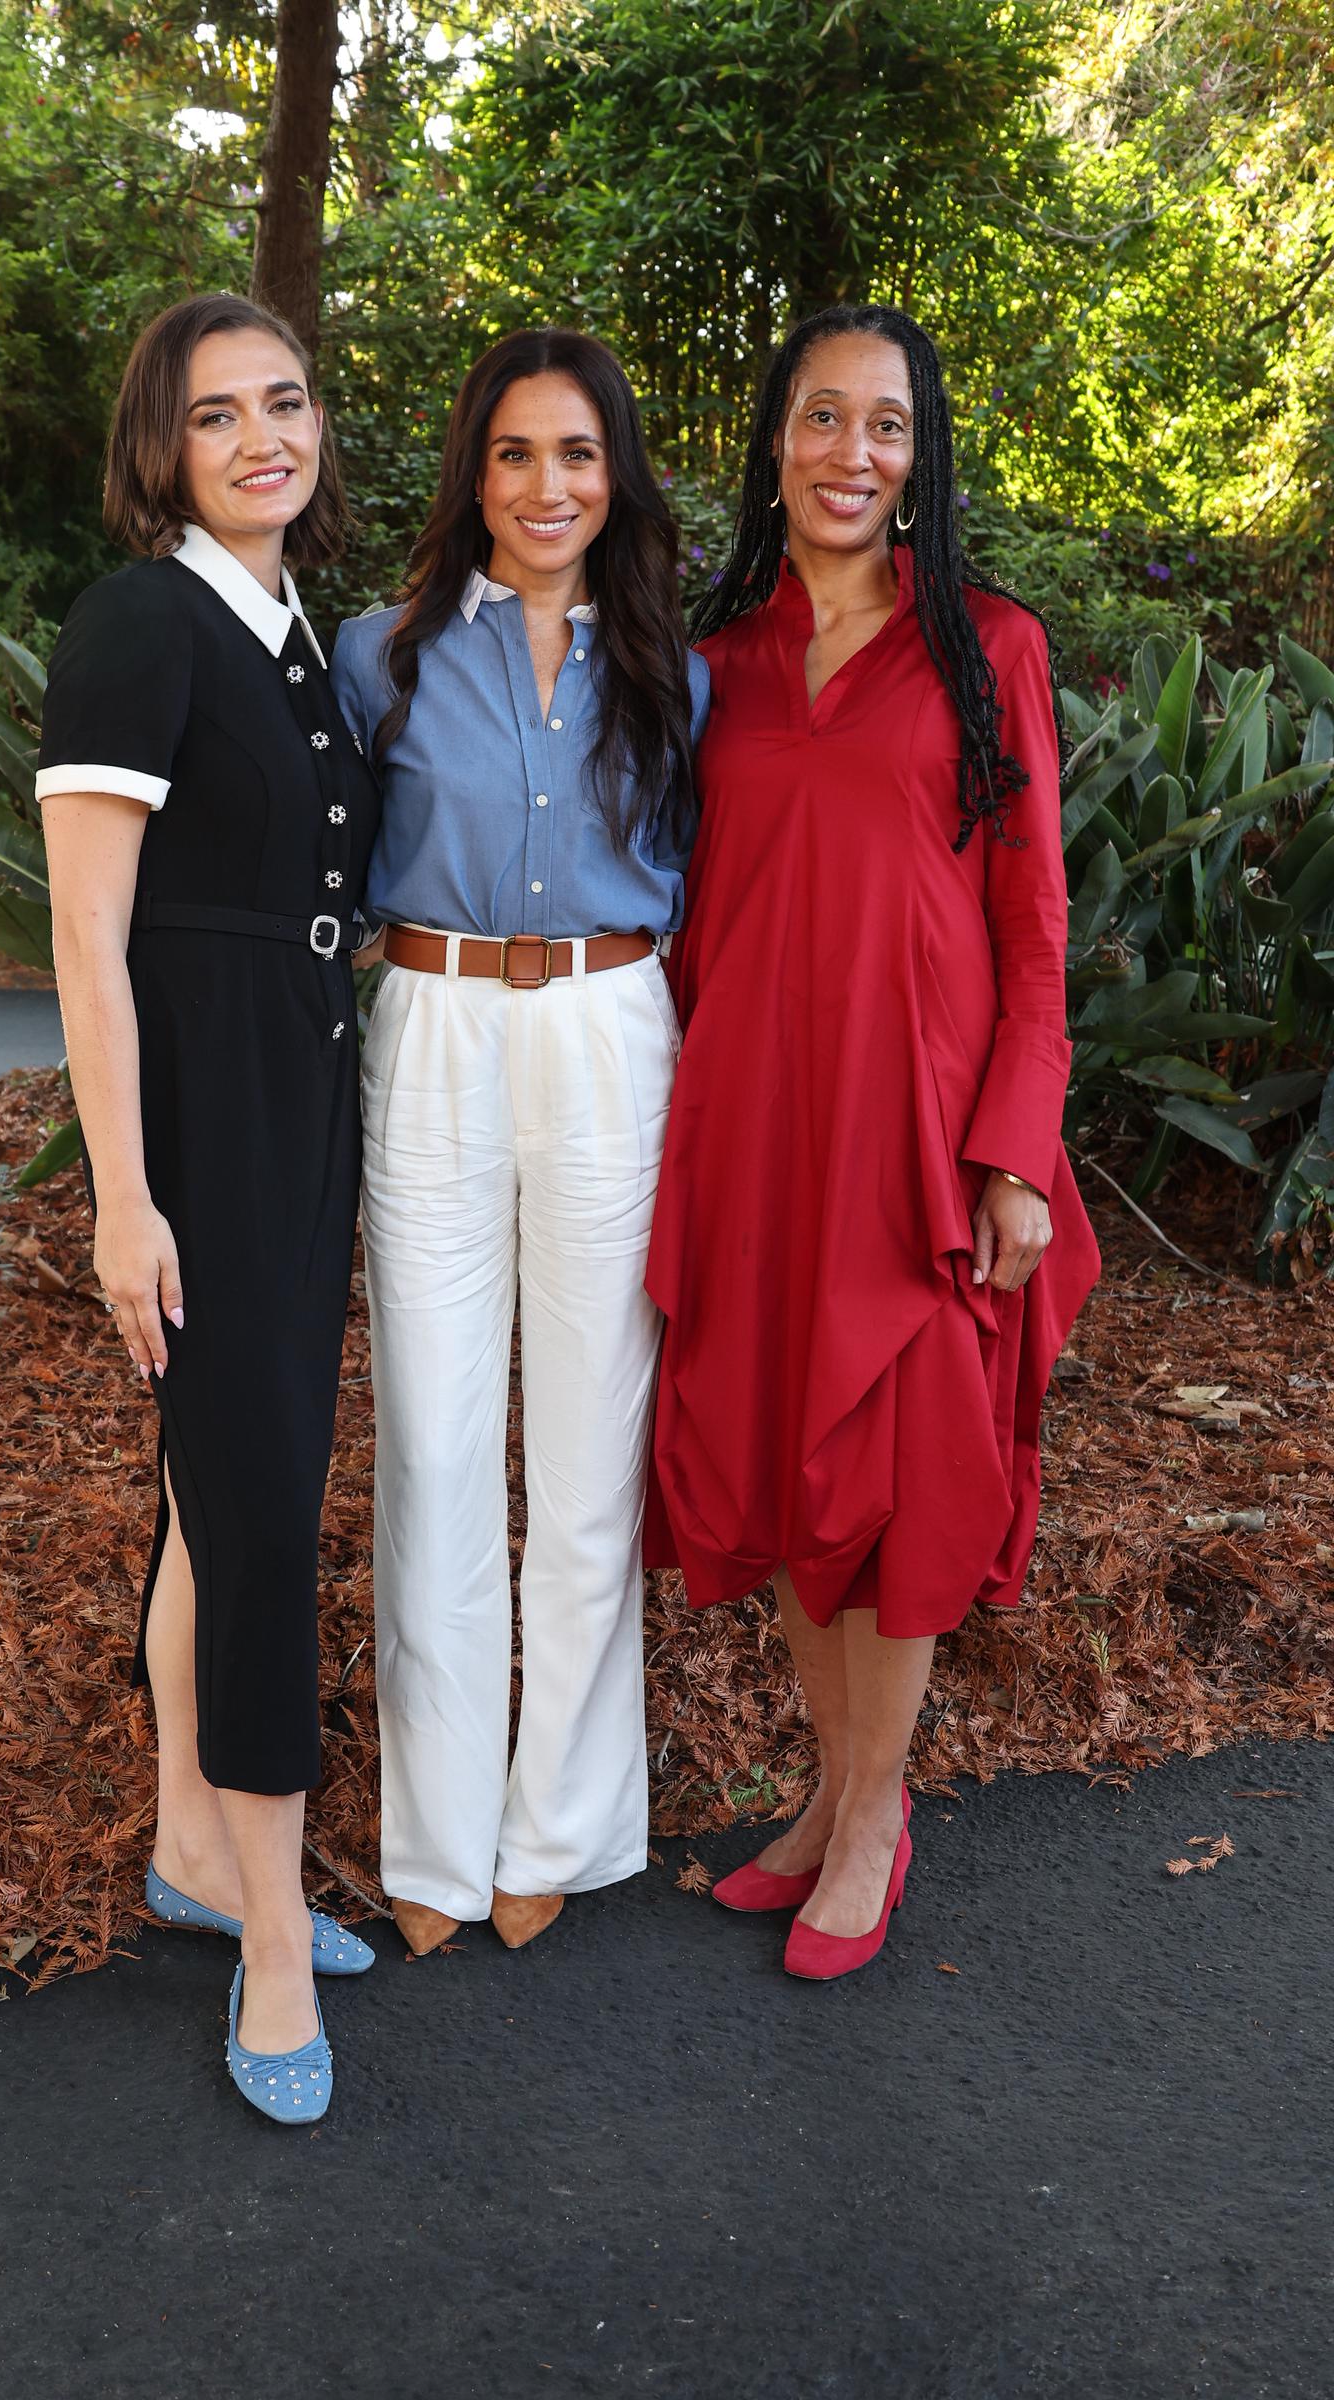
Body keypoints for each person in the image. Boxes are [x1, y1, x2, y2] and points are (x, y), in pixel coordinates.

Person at [646, 302, 1100, 1980]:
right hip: (760, 1129)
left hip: (921, 1137)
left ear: (922, 459)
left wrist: (1016, 1149)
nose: (853, 454)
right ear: (776, 438)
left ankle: (877, 1817)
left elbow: (1037, 923)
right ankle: (834, 1801)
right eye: (823, 419)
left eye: (887, 426)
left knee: (895, 1490)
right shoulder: (715, 659)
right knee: (789, 1476)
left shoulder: (990, 647)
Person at [35, 292, 381, 2121]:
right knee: (254, 1528)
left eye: (288, 402)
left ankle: (192, 1848)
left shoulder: (291, 633)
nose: (264, 436)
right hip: (209, 1129)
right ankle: (264, 1945)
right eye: (218, 413)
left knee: (215, 1506)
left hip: (302, 1099)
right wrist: (124, 1202)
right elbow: (89, 944)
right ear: (160, 447)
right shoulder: (137, 622)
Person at [331, 329, 710, 1956]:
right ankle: (434, 1844)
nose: (545, 485)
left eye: (575, 454)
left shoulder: (673, 672)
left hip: (612, 1036)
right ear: (471, 473)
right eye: (512, 454)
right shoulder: (382, 655)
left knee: (584, 1454)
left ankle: (555, 1825)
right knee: (429, 1440)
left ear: (613, 473)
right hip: (434, 1029)